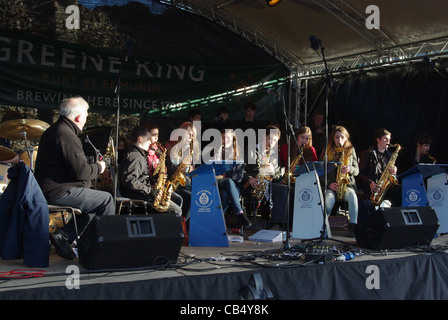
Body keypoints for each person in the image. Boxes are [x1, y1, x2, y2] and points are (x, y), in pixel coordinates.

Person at [34, 96, 115, 260]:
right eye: (86, 114)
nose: (86, 119)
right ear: (78, 117)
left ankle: (64, 235)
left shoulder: (57, 130)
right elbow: (81, 173)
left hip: (52, 188)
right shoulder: (66, 135)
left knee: (94, 204)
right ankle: (102, 249)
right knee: (106, 199)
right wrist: (99, 167)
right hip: (57, 191)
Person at [119, 125, 182, 215]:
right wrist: (150, 191)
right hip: (138, 197)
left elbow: (139, 177)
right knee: (176, 211)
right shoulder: (135, 156)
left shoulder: (139, 155)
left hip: (142, 194)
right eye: (148, 139)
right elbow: (129, 180)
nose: (150, 143)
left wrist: (153, 180)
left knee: (176, 201)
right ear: (140, 139)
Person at [242, 125, 293, 228]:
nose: (271, 142)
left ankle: (288, 223)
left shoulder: (274, 154)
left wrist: (273, 172)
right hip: (253, 184)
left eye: (274, 140)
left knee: (291, 190)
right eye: (269, 138)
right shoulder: (251, 150)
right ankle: (277, 222)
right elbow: (240, 169)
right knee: (283, 191)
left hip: (267, 185)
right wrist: (249, 178)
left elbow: (278, 175)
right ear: (263, 136)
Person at [321, 126, 359, 237]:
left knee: (352, 196)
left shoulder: (350, 150)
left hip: (346, 186)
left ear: (346, 138)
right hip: (331, 186)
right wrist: (328, 184)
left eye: (342, 137)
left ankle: (353, 226)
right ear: (333, 138)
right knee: (328, 200)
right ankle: (322, 225)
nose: (339, 140)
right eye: (337, 137)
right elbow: (320, 171)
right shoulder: (326, 150)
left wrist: (350, 169)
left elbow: (357, 170)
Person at [165, 121, 201, 221]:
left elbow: (195, 168)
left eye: (193, 135)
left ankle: (185, 224)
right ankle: (181, 224)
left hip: (187, 183)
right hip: (173, 185)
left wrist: (190, 168)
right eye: (189, 134)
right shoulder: (171, 147)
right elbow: (169, 168)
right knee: (191, 198)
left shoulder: (193, 149)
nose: (191, 137)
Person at [214, 129, 251, 228]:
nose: (225, 140)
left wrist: (228, 165)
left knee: (225, 193)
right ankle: (239, 212)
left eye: (228, 138)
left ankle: (219, 222)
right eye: (223, 138)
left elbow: (238, 178)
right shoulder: (214, 151)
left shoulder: (238, 156)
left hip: (232, 188)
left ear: (233, 140)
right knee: (227, 182)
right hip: (217, 183)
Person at [357, 128, 402, 208]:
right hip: (370, 188)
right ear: (378, 139)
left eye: (389, 139)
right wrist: (370, 183)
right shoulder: (367, 154)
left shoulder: (389, 155)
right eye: (385, 139)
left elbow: (390, 176)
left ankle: (394, 215)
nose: (388, 142)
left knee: (399, 190)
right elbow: (359, 173)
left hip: (383, 188)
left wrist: (394, 172)